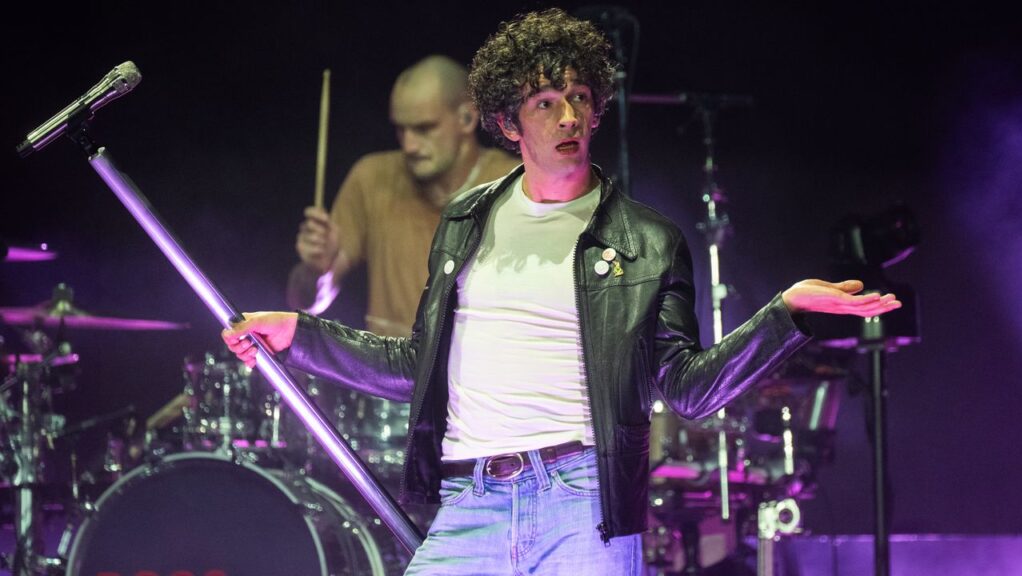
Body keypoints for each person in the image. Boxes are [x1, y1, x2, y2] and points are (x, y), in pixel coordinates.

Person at [226, 9, 901, 575]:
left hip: (582, 504)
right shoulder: (464, 222)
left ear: (597, 108)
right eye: (545, 103)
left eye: (579, 97)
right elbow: (416, 365)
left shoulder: (647, 240)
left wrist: (786, 316)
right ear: (509, 124)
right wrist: (299, 335)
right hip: (470, 501)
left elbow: (688, 388)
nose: (567, 115)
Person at [288, 54, 519, 336]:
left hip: (480, 362)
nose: (409, 145)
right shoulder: (371, 178)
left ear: (467, 117)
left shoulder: (512, 185)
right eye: (401, 129)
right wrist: (315, 271)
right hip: (388, 364)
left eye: (424, 128)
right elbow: (308, 303)